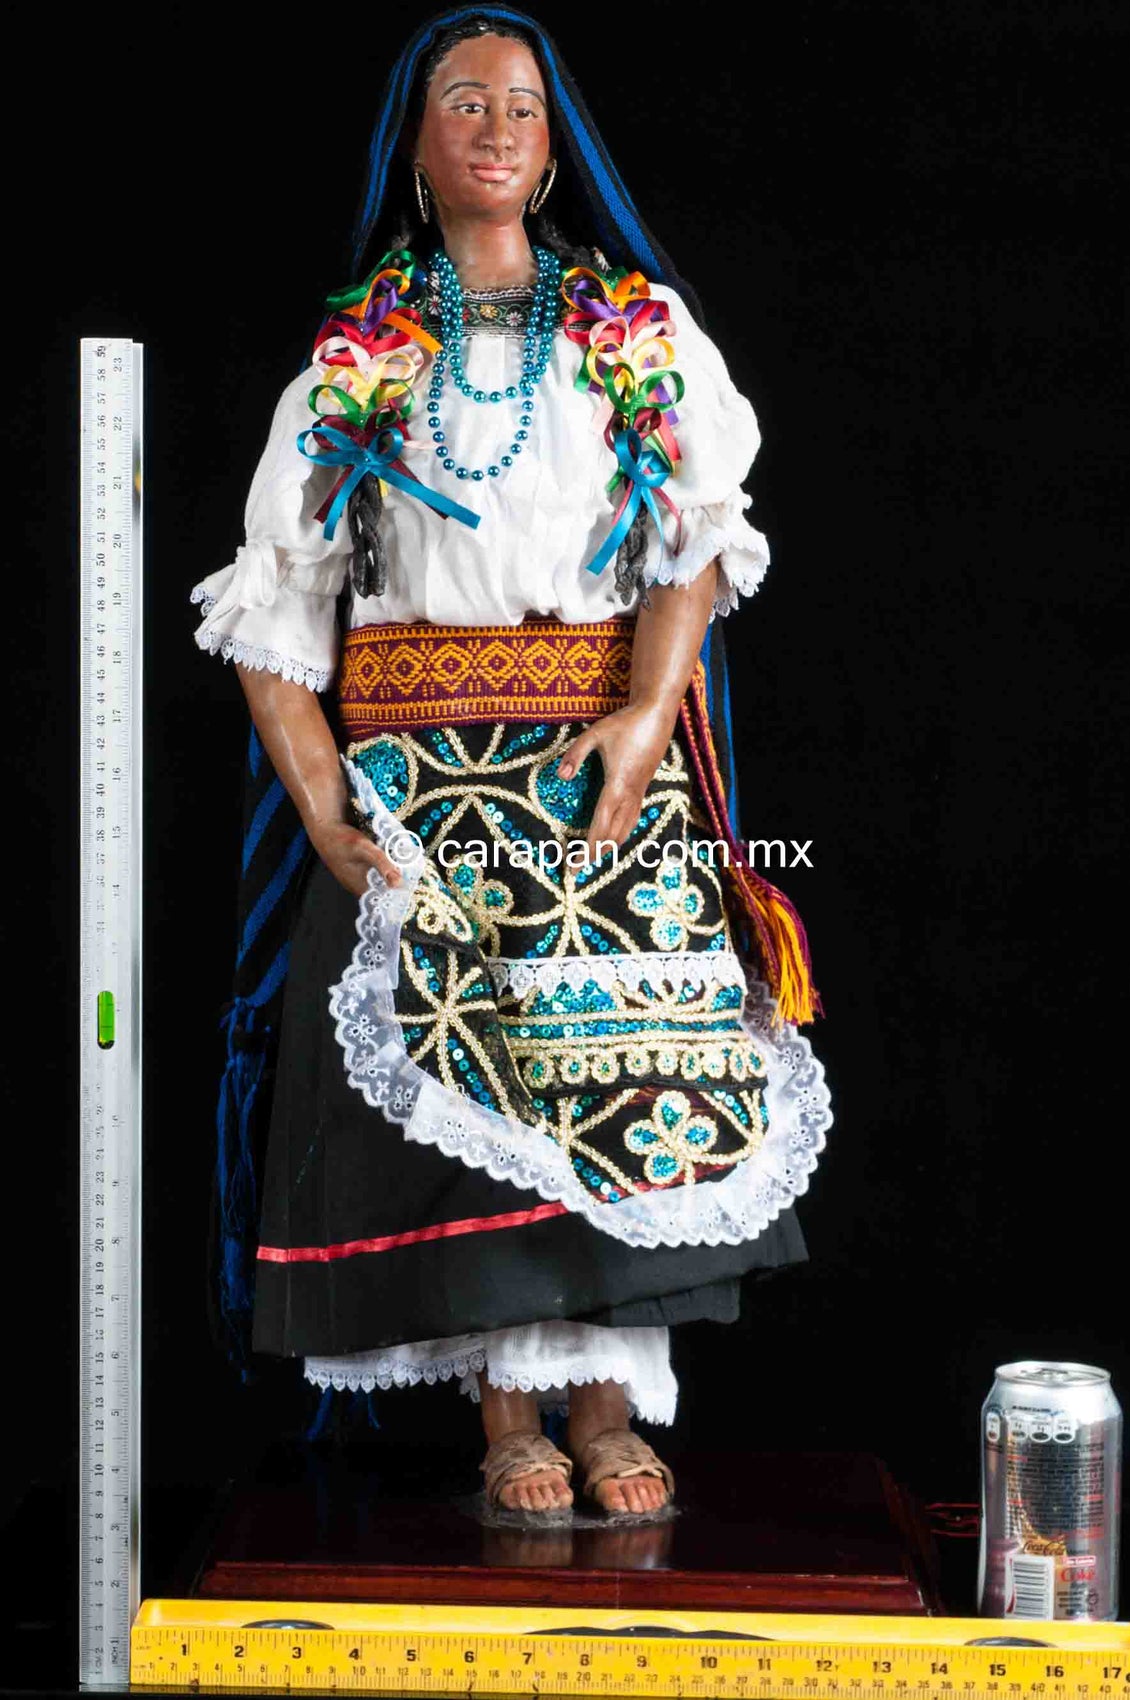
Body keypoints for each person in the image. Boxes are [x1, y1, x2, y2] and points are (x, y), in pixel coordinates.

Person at [191, 5, 833, 1518]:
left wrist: (647, 707)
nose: (494, 126)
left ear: (553, 153)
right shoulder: (357, 365)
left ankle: (609, 1405)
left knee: (607, 1068)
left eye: (523, 108)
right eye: (463, 102)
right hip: (431, 775)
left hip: (597, 759)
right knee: (481, 1078)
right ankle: (505, 1415)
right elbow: (276, 609)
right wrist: (323, 802)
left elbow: (695, 536)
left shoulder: (637, 335)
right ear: (416, 144)